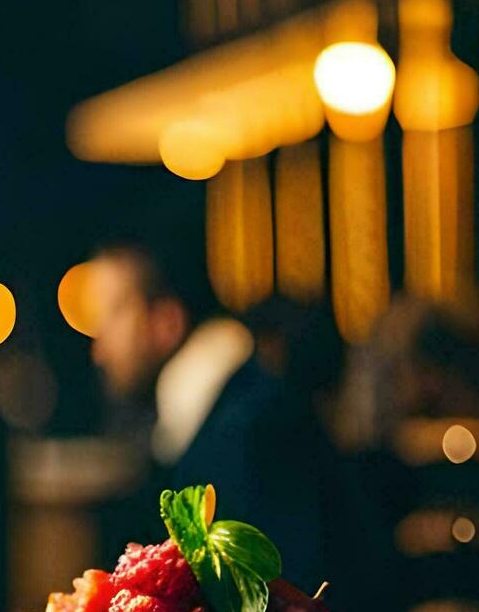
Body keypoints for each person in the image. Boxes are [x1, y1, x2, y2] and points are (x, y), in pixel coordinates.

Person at [85, 243, 341, 585]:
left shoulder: (246, 430)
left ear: (166, 322)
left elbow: (284, 607)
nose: (99, 350)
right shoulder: (218, 414)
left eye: (113, 316)